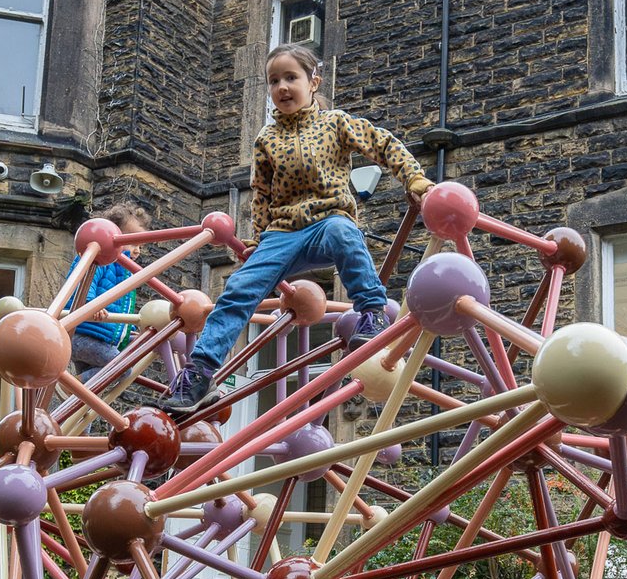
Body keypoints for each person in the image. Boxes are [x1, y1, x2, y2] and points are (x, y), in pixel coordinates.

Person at [166, 44, 432, 415]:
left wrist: (415, 179)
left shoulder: (335, 122)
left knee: (345, 234)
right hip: (283, 233)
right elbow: (261, 194)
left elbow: (383, 144)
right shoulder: (266, 139)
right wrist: (257, 240)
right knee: (239, 289)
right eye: (274, 81)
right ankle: (200, 372)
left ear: (313, 82)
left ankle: (371, 313)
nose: (282, 87)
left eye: (291, 77)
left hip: (328, 221)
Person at [70, 202, 152, 376]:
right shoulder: (98, 257)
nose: (137, 251)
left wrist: (129, 332)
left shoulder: (125, 272)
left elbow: (119, 310)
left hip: (101, 338)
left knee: (96, 386)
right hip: (82, 337)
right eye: (132, 243)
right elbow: (82, 286)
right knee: (122, 369)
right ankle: (72, 385)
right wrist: (94, 306)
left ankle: (76, 391)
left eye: (141, 246)